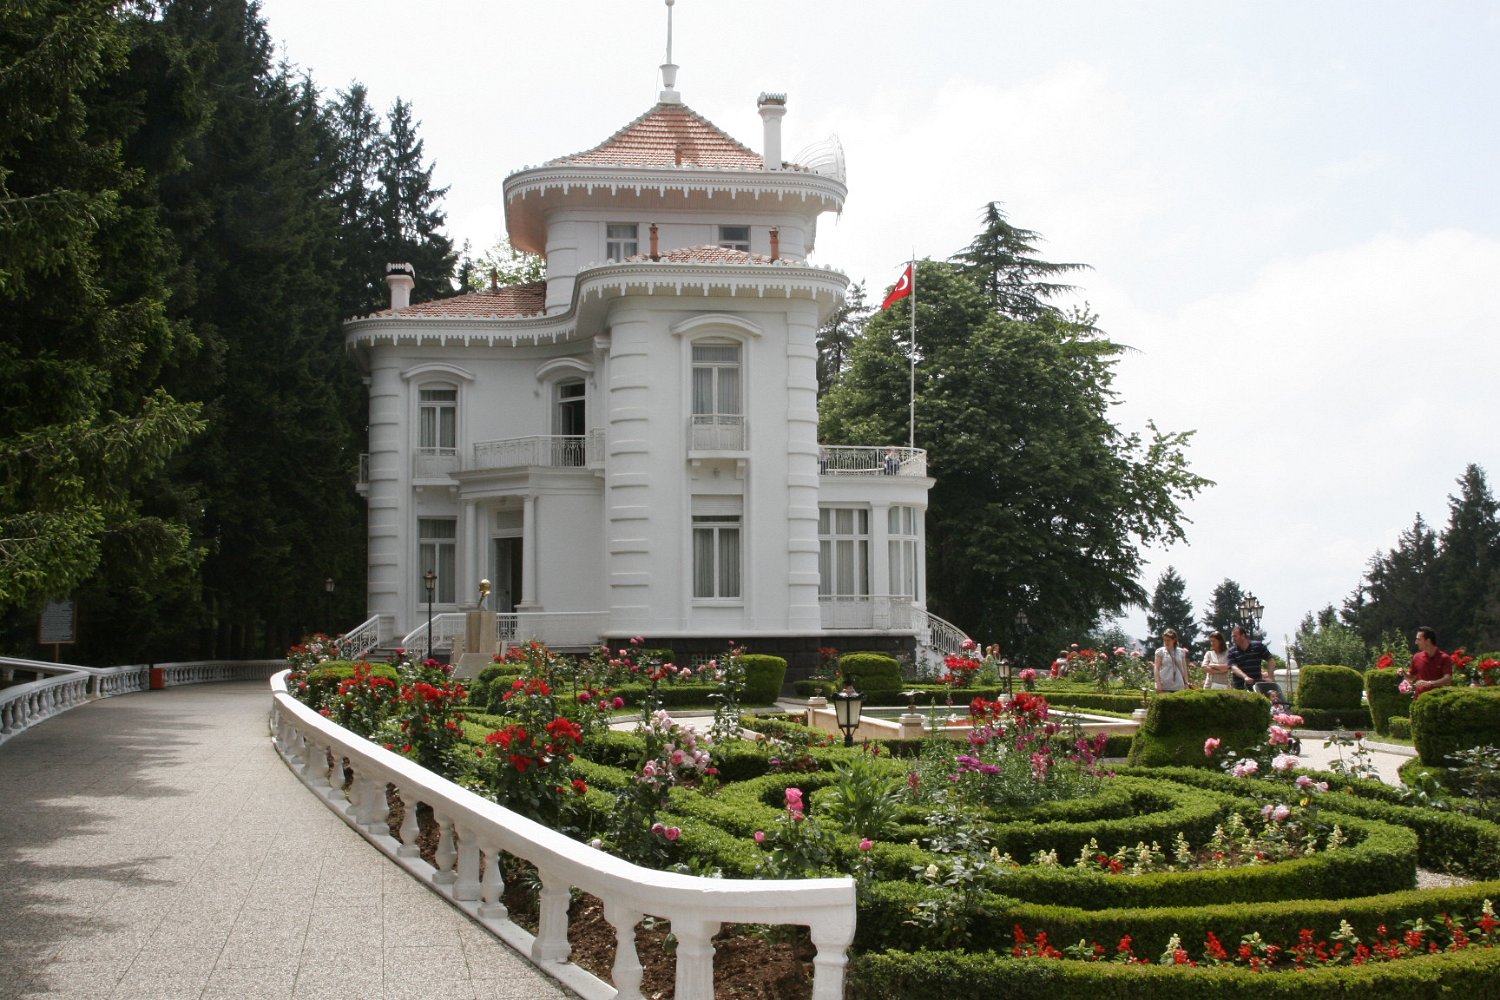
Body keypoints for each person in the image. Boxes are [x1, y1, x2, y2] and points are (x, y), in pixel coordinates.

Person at [1409, 625, 1454, 698]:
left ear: (1428, 641)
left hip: (1438, 700)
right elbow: (1411, 678)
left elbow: (1448, 679)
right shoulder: (1416, 657)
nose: (1416, 642)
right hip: (1418, 700)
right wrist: (1403, 674)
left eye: (1419, 639)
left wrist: (1430, 683)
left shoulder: (1445, 658)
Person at [1228, 625, 1274, 689]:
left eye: (1235, 636)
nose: (1233, 639)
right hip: (1240, 687)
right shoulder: (1232, 651)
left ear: (1243, 636)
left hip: (1257, 686)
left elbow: (1270, 660)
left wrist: (1270, 677)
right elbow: (1233, 667)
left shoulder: (1258, 646)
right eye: (1232, 636)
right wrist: (1245, 677)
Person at [1153, 629, 1188, 693]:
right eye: (1164, 640)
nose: (1166, 642)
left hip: (1179, 686)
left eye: (1168, 640)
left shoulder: (1181, 652)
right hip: (1164, 686)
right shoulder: (1160, 651)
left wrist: (1186, 683)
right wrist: (1157, 682)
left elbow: (1184, 669)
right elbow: (1156, 668)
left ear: (1174, 640)